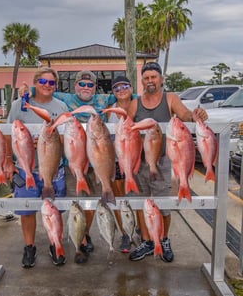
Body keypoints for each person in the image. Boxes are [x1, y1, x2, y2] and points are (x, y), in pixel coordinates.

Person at [128, 62, 208, 263]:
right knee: (141, 203)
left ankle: (163, 239)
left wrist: (196, 115)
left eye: (153, 77)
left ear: (161, 79)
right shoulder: (136, 103)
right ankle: (147, 241)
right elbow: (125, 127)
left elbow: (185, 115)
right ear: (142, 82)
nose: (150, 81)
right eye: (146, 78)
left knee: (163, 204)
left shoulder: (170, 98)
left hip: (163, 160)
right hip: (141, 161)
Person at [4, 67, 69, 268]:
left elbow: (67, 137)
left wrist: (47, 141)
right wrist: (7, 159)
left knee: (54, 210)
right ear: (35, 82)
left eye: (51, 83)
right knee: (27, 210)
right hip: (26, 169)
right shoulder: (20, 104)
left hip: (53, 168)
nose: (47, 86)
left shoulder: (61, 106)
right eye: (43, 82)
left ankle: (54, 243)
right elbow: (8, 133)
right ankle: (29, 246)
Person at [54, 70, 117, 264]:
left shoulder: (103, 99)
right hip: (74, 163)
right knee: (77, 202)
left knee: (92, 204)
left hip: (98, 161)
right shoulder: (65, 98)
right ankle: (80, 246)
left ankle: (85, 233)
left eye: (90, 85)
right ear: (75, 85)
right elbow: (39, 89)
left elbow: (130, 94)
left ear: (95, 87)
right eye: (82, 84)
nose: (86, 88)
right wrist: (25, 90)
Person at [105, 75, 137, 253]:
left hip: (135, 159)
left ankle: (138, 229)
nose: (121, 90)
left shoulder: (139, 106)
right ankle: (125, 233)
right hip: (117, 161)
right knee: (118, 198)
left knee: (137, 198)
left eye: (125, 86)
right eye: (116, 88)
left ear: (131, 88)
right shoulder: (110, 111)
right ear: (113, 92)